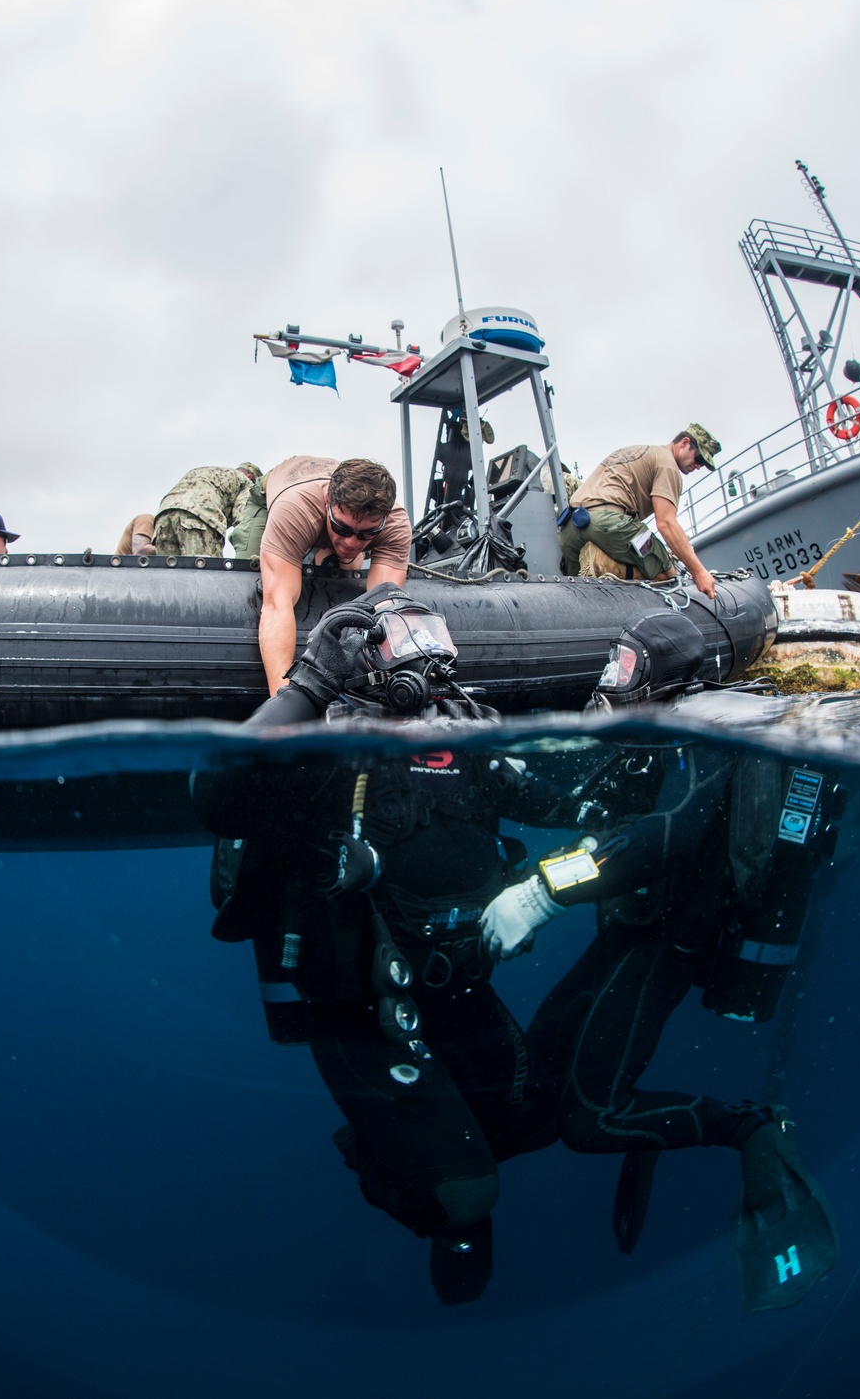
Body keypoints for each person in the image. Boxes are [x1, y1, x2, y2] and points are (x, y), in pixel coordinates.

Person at [191, 587, 563, 1306]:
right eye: (401, 636)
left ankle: (389, 1143)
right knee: (469, 1196)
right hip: (363, 1006)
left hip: (458, 987)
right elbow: (218, 799)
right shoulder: (326, 744)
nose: (423, 655)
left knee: (538, 1121)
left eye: (432, 632)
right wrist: (310, 685)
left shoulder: (465, 734)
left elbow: (556, 799)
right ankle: (399, 1181)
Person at [479, 610, 841, 1314]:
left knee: (589, 1119)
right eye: (612, 667)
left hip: (671, 943)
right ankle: (652, 1131)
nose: (612, 683)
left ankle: (752, 1128)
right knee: (538, 1081)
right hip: (630, 933)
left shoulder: (707, 732)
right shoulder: (658, 737)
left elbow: (666, 835)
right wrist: (510, 776)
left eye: (625, 670)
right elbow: (599, 811)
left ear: (668, 678)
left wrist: (543, 894)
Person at [242, 457, 412, 695]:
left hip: (326, 495)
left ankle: (334, 542)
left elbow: (385, 608)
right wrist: (283, 702)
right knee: (248, 564)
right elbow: (276, 604)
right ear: (327, 503)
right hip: (279, 489)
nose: (353, 542)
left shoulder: (395, 523)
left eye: (366, 534)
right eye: (342, 528)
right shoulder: (295, 509)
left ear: (383, 520)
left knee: (346, 565)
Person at [558, 425, 721, 599]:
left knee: (578, 592)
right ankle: (604, 565)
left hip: (569, 529)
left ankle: (601, 558)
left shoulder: (638, 451)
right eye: (699, 459)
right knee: (667, 574)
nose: (698, 466)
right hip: (607, 523)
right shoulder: (668, 465)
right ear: (684, 443)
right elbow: (666, 523)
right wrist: (699, 572)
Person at [152, 463, 262, 558]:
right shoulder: (247, 483)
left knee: (170, 577)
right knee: (205, 577)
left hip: (163, 516)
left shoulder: (212, 472)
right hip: (199, 516)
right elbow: (246, 521)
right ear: (249, 476)